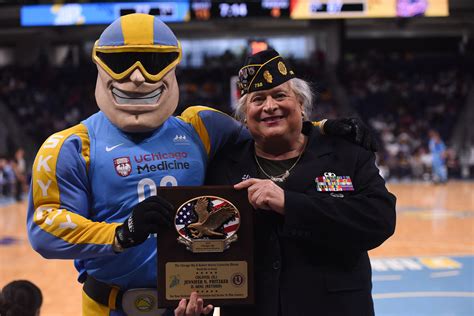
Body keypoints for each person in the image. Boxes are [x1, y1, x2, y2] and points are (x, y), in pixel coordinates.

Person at [26, 14, 377, 315]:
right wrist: (121, 232)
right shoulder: (69, 145)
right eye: (122, 62)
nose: (137, 77)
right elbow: (44, 228)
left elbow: (261, 129)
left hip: (192, 303)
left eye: (152, 63)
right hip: (110, 304)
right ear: (100, 64)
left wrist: (322, 127)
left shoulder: (200, 127)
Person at [206, 49, 397, 316]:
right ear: (245, 115)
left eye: (280, 95)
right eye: (258, 99)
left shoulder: (346, 153)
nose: (269, 106)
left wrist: (290, 204)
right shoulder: (222, 165)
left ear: (301, 105)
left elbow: (380, 220)